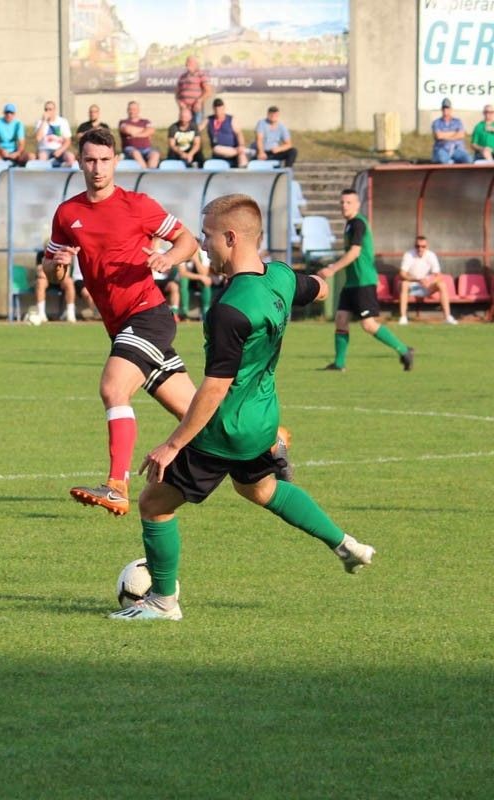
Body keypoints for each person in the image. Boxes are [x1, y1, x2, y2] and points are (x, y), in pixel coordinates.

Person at [110, 194, 375, 622]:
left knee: (154, 503)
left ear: (231, 237)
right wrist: (308, 284)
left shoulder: (230, 309)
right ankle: (346, 545)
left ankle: (162, 602)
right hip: (263, 418)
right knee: (259, 489)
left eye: (208, 236)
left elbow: (215, 387)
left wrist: (172, 445)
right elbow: (320, 287)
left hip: (226, 428)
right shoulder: (280, 277)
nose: (202, 245)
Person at [43, 127, 290, 517]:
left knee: (113, 388)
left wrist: (167, 258)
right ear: (79, 161)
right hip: (120, 326)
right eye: (90, 160)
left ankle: (116, 485)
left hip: (147, 316)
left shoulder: (138, 205)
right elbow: (51, 270)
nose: (97, 168)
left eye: (104, 160)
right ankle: (273, 441)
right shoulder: (67, 213)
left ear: (116, 162)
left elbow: (187, 240)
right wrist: (57, 266)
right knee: (195, 412)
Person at [317, 189, 413, 371]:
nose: (344, 206)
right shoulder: (349, 224)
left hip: (363, 281)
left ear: (357, 204)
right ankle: (339, 364)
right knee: (341, 318)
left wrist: (332, 269)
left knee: (368, 324)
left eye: (348, 202)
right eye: (342, 202)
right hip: (351, 282)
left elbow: (355, 252)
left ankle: (404, 350)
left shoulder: (358, 223)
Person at [398, 235, 457, 325]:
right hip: (412, 285)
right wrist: (417, 280)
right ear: (414, 246)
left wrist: (430, 282)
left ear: (427, 246)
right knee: (404, 284)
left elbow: (439, 275)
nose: (420, 249)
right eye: (417, 246)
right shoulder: (408, 254)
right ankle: (403, 317)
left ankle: (448, 317)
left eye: (423, 246)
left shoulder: (431, 255)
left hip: (426, 286)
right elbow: (402, 274)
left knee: (442, 285)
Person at [202, 98, 248, 167]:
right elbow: (198, 129)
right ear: (213, 109)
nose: (219, 112)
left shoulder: (231, 119)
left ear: (224, 108)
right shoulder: (209, 119)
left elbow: (239, 133)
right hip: (219, 149)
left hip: (233, 148)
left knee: (242, 156)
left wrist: (241, 145)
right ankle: (244, 151)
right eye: (216, 110)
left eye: (220, 109)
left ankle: (243, 171)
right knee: (216, 149)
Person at [34, 100, 76, 167]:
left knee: (70, 157)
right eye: (46, 109)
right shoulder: (40, 122)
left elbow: (68, 141)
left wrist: (60, 150)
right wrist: (44, 121)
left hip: (59, 149)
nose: (48, 111)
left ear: (54, 110)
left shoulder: (63, 121)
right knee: (42, 158)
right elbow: (38, 138)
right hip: (44, 149)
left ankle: (64, 170)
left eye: (50, 109)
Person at [118, 101, 160, 168]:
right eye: (130, 109)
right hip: (130, 149)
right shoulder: (123, 122)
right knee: (136, 153)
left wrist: (135, 135)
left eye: (134, 109)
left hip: (146, 149)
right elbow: (127, 130)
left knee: (155, 154)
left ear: (138, 110)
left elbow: (151, 130)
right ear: (127, 110)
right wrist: (144, 130)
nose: (132, 111)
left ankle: (151, 172)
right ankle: (145, 172)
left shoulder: (146, 121)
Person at [431, 99, 473, 165]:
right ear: (441, 109)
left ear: (451, 109)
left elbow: (461, 135)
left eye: (447, 108)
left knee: (468, 159)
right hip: (442, 149)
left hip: (457, 149)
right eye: (444, 108)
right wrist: (454, 133)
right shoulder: (436, 122)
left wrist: (445, 135)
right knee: (442, 159)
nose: (445, 110)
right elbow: (438, 136)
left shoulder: (457, 121)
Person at [174, 55, 213, 125]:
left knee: (195, 129)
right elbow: (177, 93)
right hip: (184, 109)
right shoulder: (182, 76)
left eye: (189, 62)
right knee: (183, 129)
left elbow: (208, 91)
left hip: (196, 109)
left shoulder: (201, 75)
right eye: (186, 62)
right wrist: (180, 103)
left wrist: (199, 101)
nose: (186, 64)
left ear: (196, 64)